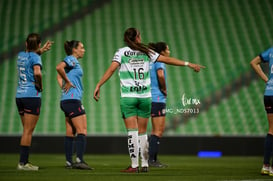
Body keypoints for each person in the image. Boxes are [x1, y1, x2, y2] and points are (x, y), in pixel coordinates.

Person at [93, 27, 205, 173]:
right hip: (145, 97)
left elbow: (111, 69)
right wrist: (188, 64)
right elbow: (167, 60)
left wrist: (99, 84)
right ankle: (145, 164)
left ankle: (134, 166)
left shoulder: (121, 52)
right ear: (137, 37)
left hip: (128, 97)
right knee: (143, 132)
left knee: (132, 131)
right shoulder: (147, 52)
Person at [16, 33, 53, 171]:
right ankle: (23, 163)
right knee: (28, 131)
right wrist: (40, 85)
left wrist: (42, 50)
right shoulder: (35, 57)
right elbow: (37, 72)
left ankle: (23, 161)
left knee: (25, 130)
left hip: (19, 95)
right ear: (37, 44)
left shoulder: (21, 55)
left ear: (26, 44)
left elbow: (31, 55)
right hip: (31, 95)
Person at [56, 40, 92, 170]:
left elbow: (58, 76)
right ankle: (79, 160)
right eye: (81, 47)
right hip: (72, 100)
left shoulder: (71, 61)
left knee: (70, 131)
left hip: (67, 99)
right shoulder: (71, 59)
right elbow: (58, 67)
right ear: (74, 49)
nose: (84, 50)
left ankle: (69, 162)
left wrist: (64, 86)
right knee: (82, 130)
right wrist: (67, 82)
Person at [250, 48, 273, 176]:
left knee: (271, 129)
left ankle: (266, 166)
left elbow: (253, 62)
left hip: (269, 92)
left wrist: (267, 80)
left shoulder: (271, 51)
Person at [148, 42, 169, 168]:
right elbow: (160, 75)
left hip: (150, 98)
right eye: (168, 49)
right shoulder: (159, 61)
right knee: (157, 131)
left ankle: (153, 159)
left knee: (156, 131)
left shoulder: (150, 62)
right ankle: (152, 160)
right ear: (162, 52)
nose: (169, 51)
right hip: (157, 98)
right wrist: (164, 88)